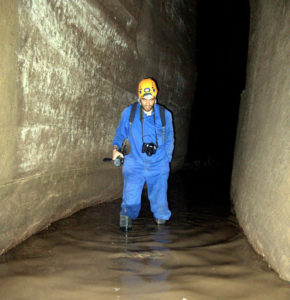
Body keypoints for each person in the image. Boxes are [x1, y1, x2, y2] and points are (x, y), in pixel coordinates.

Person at [112, 78, 174, 231]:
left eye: (151, 99)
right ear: (139, 97)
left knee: (160, 207)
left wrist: (166, 161)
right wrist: (115, 149)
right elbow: (120, 134)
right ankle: (125, 237)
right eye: (144, 99)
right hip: (135, 163)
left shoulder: (165, 115)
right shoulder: (130, 113)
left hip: (158, 164)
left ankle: (161, 238)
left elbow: (170, 139)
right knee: (129, 203)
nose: (147, 103)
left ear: (155, 97)